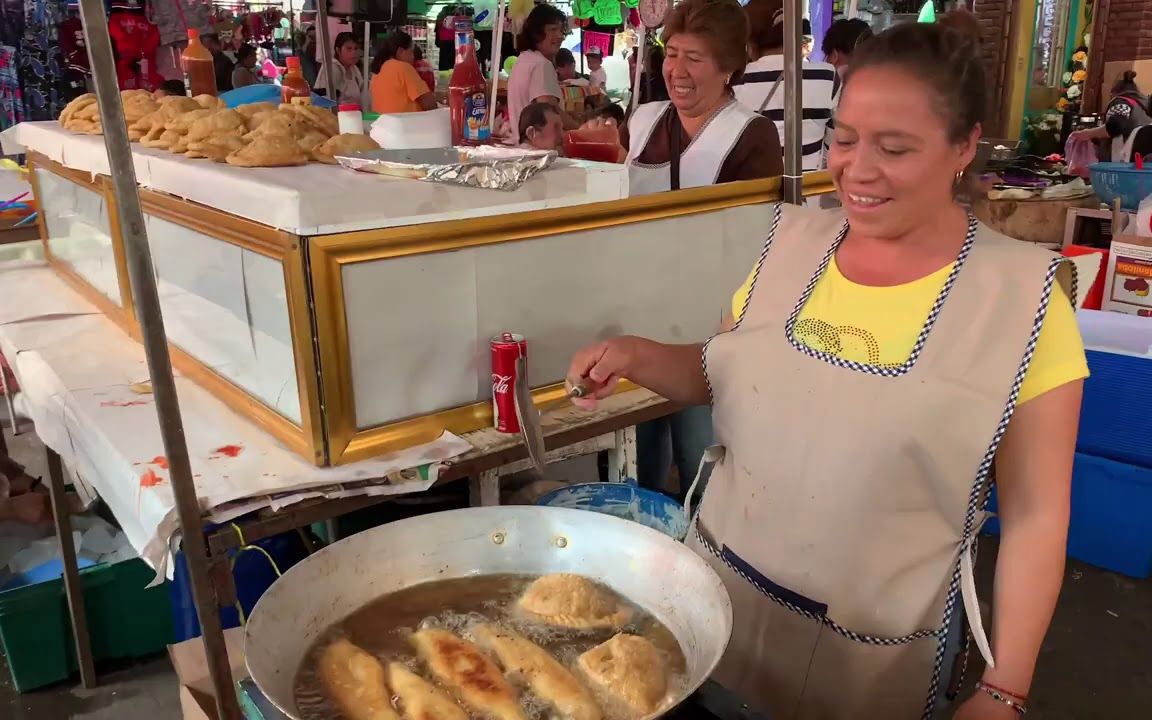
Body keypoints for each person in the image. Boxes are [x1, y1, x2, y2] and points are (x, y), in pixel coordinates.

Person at [567, 19, 1086, 720]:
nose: (856, 169)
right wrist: (635, 356)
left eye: (894, 148)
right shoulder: (793, 243)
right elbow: (724, 377)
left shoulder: (1021, 301)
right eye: (843, 138)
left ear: (964, 147)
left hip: (871, 663)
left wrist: (1005, 687)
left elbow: (1035, 516)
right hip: (721, 615)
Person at [735, 0, 837, 170]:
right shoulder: (827, 76)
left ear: (750, 43)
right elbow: (833, 146)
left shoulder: (736, 79)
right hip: (807, 191)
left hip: (754, 192)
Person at [507, 4, 580, 143]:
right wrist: (580, 128)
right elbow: (549, 110)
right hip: (541, 149)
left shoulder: (522, 60)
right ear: (536, 33)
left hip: (523, 146)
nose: (560, 36)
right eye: (553, 29)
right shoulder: (542, 65)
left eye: (561, 30)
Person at [1071, 71, 1152, 163]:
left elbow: (1114, 127)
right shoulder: (1143, 104)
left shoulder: (1121, 102)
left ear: (1113, 93)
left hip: (1121, 163)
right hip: (1141, 164)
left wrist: (1087, 133)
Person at [369, 31, 437, 114]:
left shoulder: (378, 69)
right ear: (400, 51)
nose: (413, 57)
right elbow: (430, 104)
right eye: (411, 52)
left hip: (382, 123)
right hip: (406, 124)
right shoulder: (404, 68)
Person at [315, 32, 365, 104]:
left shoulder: (354, 69)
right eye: (349, 48)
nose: (354, 52)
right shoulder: (332, 68)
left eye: (356, 48)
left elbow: (363, 94)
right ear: (338, 50)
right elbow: (323, 102)